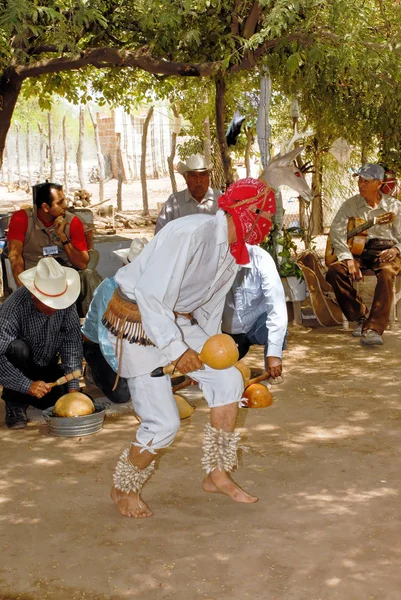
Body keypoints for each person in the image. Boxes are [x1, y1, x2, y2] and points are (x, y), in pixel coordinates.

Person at [102, 178, 276, 518]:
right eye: (260, 214)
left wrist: (207, 352)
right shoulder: (189, 234)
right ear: (238, 211)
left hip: (175, 319)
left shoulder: (232, 251)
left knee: (228, 381)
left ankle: (217, 473)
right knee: (163, 424)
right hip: (137, 320)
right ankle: (122, 488)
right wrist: (177, 351)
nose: (265, 225)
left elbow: (209, 306)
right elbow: (151, 296)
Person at [0, 257, 83, 429]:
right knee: (17, 349)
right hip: (20, 365)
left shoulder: (66, 302)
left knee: (60, 401)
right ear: (33, 294)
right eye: (49, 303)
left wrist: (73, 388)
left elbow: (72, 342)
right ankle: (15, 401)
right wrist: (26, 385)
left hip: (47, 365)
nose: (54, 309)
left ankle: (25, 395)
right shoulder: (13, 307)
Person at [326, 163, 401, 346]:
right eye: (359, 180)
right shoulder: (350, 204)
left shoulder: (394, 206)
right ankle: (360, 316)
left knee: (386, 273)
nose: (360, 184)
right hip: (357, 251)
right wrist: (347, 258)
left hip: (386, 251)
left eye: (366, 181)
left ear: (379, 183)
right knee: (335, 271)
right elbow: (337, 233)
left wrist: (396, 250)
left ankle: (373, 328)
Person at [81, 238, 148, 405]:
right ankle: (92, 370)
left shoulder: (151, 286)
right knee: (122, 394)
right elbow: (106, 340)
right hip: (99, 346)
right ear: (125, 267)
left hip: (132, 342)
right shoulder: (109, 289)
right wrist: (124, 371)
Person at [222, 244, 287, 382]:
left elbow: (277, 307)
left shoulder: (261, 259)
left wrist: (274, 354)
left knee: (278, 328)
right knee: (220, 372)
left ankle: (271, 370)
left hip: (256, 326)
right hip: (227, 333)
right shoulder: (213, 260)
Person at [7, 182, 89, 284]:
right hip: (35, 277)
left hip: (65, 276)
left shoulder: (73, 221)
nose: (65, 206)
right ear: (45, 207)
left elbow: (82, 264)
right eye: (60, 203)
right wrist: (24, 289)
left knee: (89, 276)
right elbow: (15, 256)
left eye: (65, 201)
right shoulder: (22, 218)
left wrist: (63, 236)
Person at [155, 154, 221, 233]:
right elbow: (160, 234)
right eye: (193, 176)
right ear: (185, 178)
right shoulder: (174, 202)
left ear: (208, 177)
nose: (198, 180)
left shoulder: (221, 200)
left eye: (202, 175)